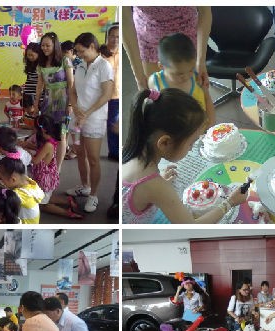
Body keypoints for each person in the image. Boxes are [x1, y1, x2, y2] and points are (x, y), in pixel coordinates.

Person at [123, 89, 248, 223]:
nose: (191, 149)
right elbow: (190, 227)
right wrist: (229, 202)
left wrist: (159, 183)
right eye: (191, 143)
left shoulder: (129, 154)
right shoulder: (155, 186)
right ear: (165, 143)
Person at [66, 33, 114, 213]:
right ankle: (84, 186)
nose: (79, 55)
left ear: (92, 47)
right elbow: (72, 91)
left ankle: (93, 195)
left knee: (93, 158)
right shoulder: (80, 65)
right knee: (80, 154)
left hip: (94, 119)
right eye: (77, 52)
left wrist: (87, 113)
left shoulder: (104, 66)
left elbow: (107, 94)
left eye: (81, 51)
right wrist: (75, 108)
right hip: (78, 118)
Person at [123, 7, 212, 91]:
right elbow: (125, 20)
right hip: (149, 40)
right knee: (157, 94)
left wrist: (201, 62)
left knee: (195, 91)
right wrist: (139, 78)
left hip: (187, 41)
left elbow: (204, 11)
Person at [149, 33, 214, 127]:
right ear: (161, 66)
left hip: (199, 129)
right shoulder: (155, 82)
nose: (187, 76)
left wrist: (210, 125)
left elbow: (207, 101)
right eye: (179, 74)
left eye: (191, 70)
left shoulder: (197, 78)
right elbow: (153, 112)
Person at [31, 115, 83, 219]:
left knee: (42, 205)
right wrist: (26, 145)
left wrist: (26, 152)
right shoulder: (50, 140)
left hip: (44, 179)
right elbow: (40, 150)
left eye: (35, 128)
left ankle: (68, 213)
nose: (34, 130)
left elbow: (35, 161)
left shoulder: (47, 145)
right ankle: (68, 201)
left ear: (42, 130)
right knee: (42, 196)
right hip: (47, 176)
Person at [35, 32, 73, 168]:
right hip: (47, 102)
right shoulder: (41, 63)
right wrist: (36, 104)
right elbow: (40, 85)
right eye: (43, 45)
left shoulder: (65, 60)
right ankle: (48, 165)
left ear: (55, 45)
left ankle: (58, 168)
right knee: (48, 133)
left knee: (61, 135)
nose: (44, 48)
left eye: (48, 45)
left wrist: (70, 104)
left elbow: (71, 83)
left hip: (63, 102)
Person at [102, 23, 119, 160]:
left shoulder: (121, 53)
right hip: (103, 95)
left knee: (114, 123)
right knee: (109, 123)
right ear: (107, 37)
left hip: (117, 94)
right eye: (112, 36)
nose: (115, 39)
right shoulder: (101, 54)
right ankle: (113, 151)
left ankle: (114, 152)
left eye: (118, 36)